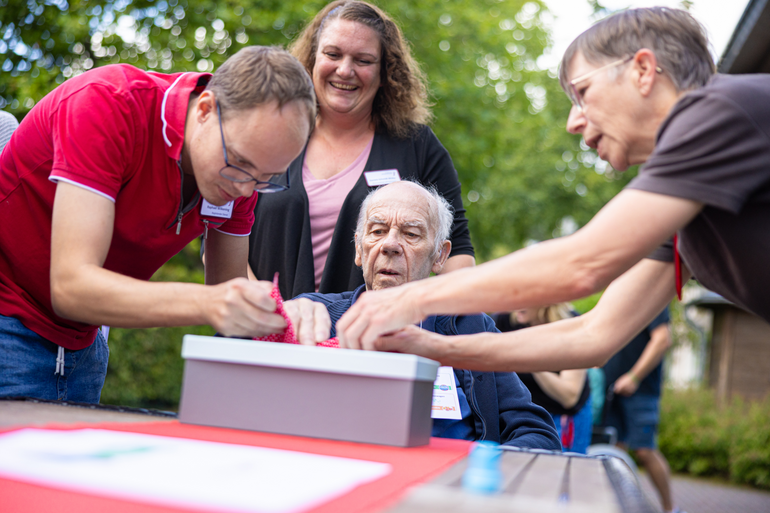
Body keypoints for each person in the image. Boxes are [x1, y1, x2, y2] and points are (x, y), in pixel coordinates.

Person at [332, 7, 770, 375]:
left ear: (642, 69)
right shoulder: (680, 202)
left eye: (582, 93)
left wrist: (409, 298)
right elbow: (593, 335)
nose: (573, 121)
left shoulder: (720, 110)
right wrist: (430, 347)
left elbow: (583, 264)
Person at [0, 46, 330, 404]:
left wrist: (284, 314)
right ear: (205, 109)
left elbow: (230, 295)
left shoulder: (240, 170)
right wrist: (209, 303)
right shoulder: (106, 105)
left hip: (84, 345)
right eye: (239, 163)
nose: (244, 189)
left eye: (267, 178)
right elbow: (71, 287)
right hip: (10, 316)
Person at [294, 180, 561, 449]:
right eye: (377, 231)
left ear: (440, 256)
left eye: (411, 234)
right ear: (358, 248)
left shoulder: (471, 326)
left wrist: (474, 471)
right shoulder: (316, 317)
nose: (390, 245)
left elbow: (538, 433)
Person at [248, 0, 475, 300]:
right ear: (311, 60)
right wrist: (269, 312)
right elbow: (224, 235)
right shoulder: (270, 134)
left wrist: (423, 317)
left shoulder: (416, 146)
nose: (345, 70)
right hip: (268, 334)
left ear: (385, 73)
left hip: (374, 340)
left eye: (363, 60)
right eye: (333, 54)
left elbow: (456, 253)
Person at [603, 308, 677, 513]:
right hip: (612, 389)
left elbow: (662, 339)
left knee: (645, 450)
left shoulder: (654, 296)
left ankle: (670, 509)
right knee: (615, 452)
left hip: (641, 390)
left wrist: (634, 377)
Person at [494, 305, 592, 453]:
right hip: (525, 415)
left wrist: (531, 360)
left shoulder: (571, 325)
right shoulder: (504, 321)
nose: (516, 301)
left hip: (562, 418)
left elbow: (569, 396)